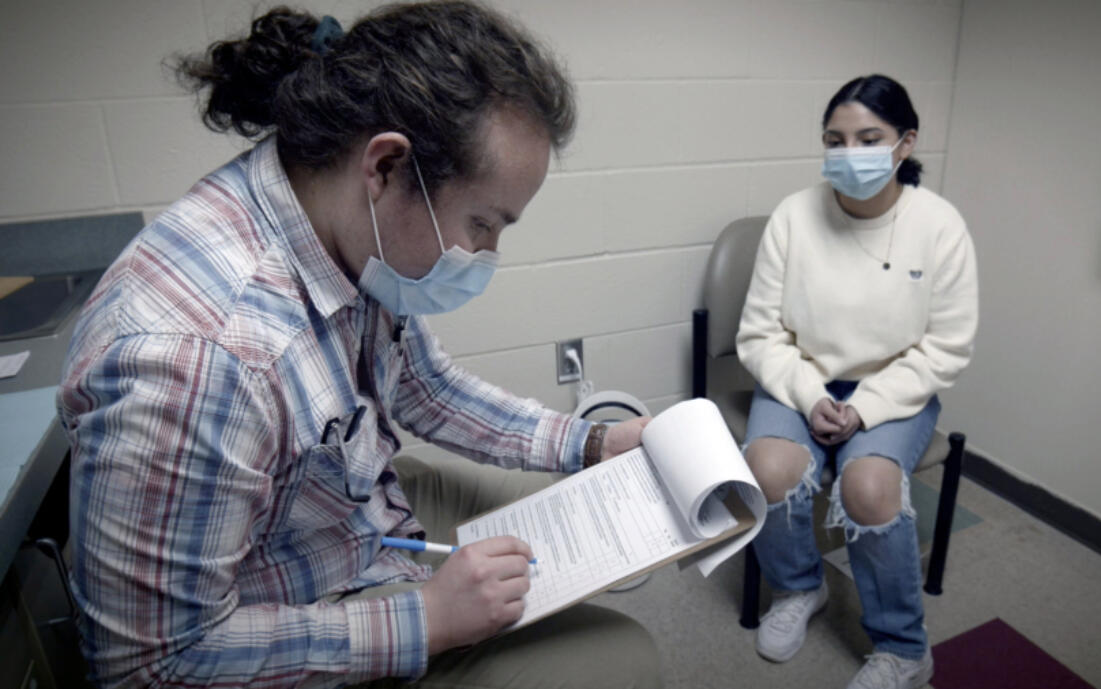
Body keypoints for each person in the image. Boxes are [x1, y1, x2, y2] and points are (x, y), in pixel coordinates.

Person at [55, 3, 660, 687]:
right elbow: (150, 662)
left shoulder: (336, 214)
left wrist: (589, 445)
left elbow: (424, 386)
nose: (490, 253)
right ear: (388, 165)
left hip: (346, 510)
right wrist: (426, 619)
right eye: (483, 222)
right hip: (282, 599)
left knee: (587, 512)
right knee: (623, 658)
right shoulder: (202, 360)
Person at [736, 74, 978, 689]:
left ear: (905, 144)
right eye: (835, 139)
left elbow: (945, 348)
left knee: (869, 487)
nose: (850, 153)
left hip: (894, 387)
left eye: (869, 138)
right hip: (803, 379)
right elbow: (760, 335)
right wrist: (814, 396)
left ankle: (903, 647)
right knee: (768, 469)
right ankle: (799, 588)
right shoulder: (794, 216)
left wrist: (866, 408)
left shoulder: (940, 225)